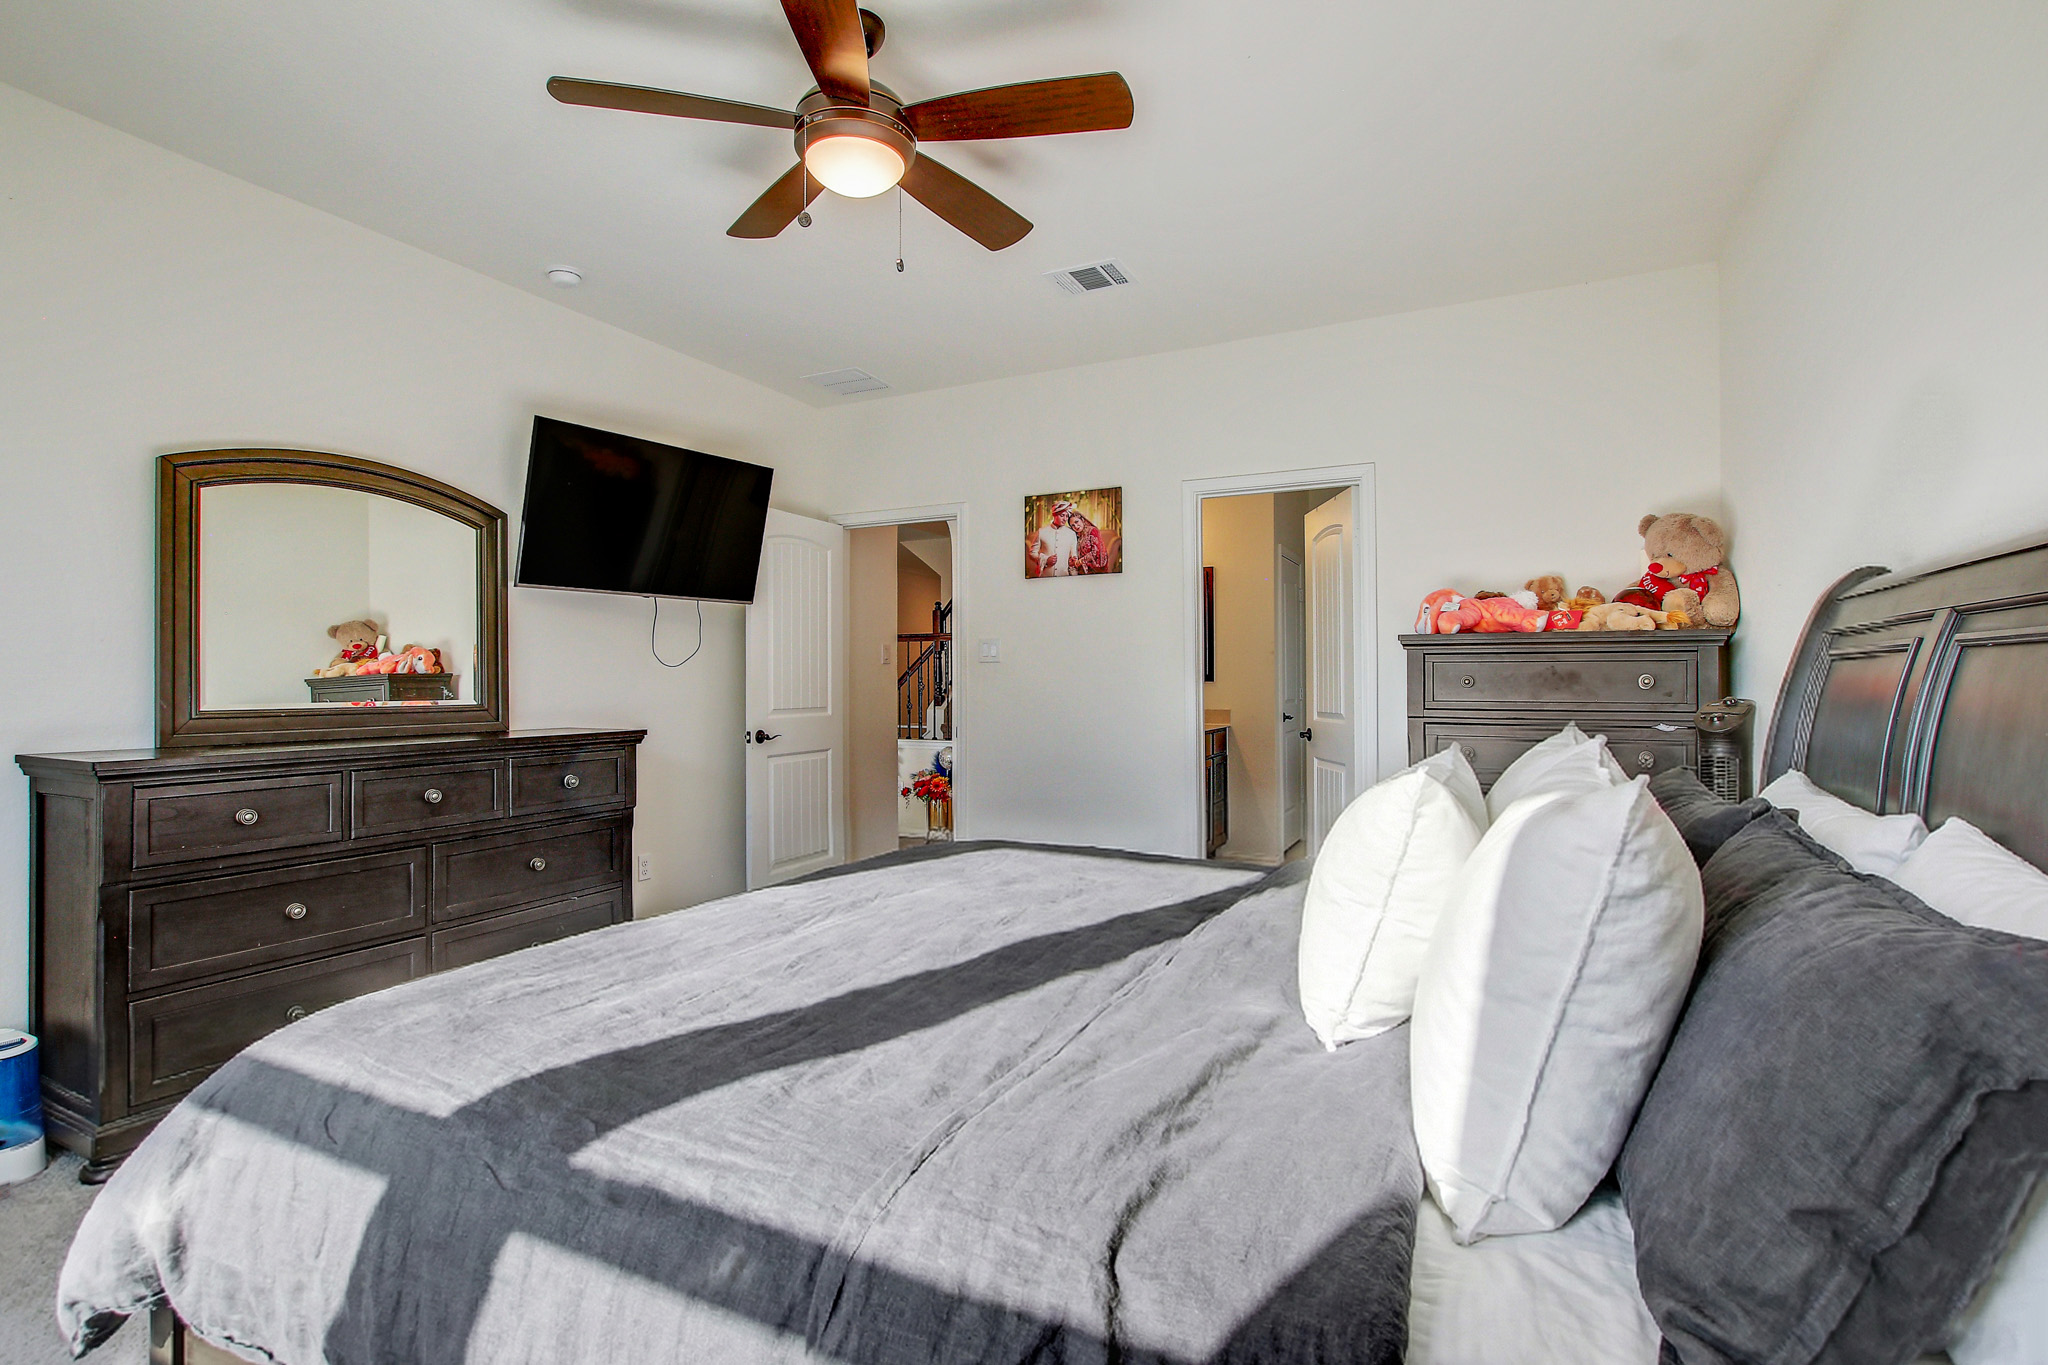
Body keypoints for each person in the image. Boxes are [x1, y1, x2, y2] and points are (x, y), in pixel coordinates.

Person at [1030, 503, 1078, 577]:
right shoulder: (1042, 532)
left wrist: (1073, 561)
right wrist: (1045, 560)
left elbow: (1073, 555)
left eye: (1066, 516)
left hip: (1064, 577)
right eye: (1062, 516)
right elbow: (1032, 553)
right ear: (1054, 515)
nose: (1065, 519)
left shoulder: (1071, 534)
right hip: (1045, 577)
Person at [1067, 504, 1113, 574]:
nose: (1076, 526)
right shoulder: (1078, 536)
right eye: (1073, 525)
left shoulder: (1093, 531)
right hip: (1082, 571)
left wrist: (1080, 562)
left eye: (1076, 522)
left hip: (1095, 571)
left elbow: (1096, 552)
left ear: (1082, 519)